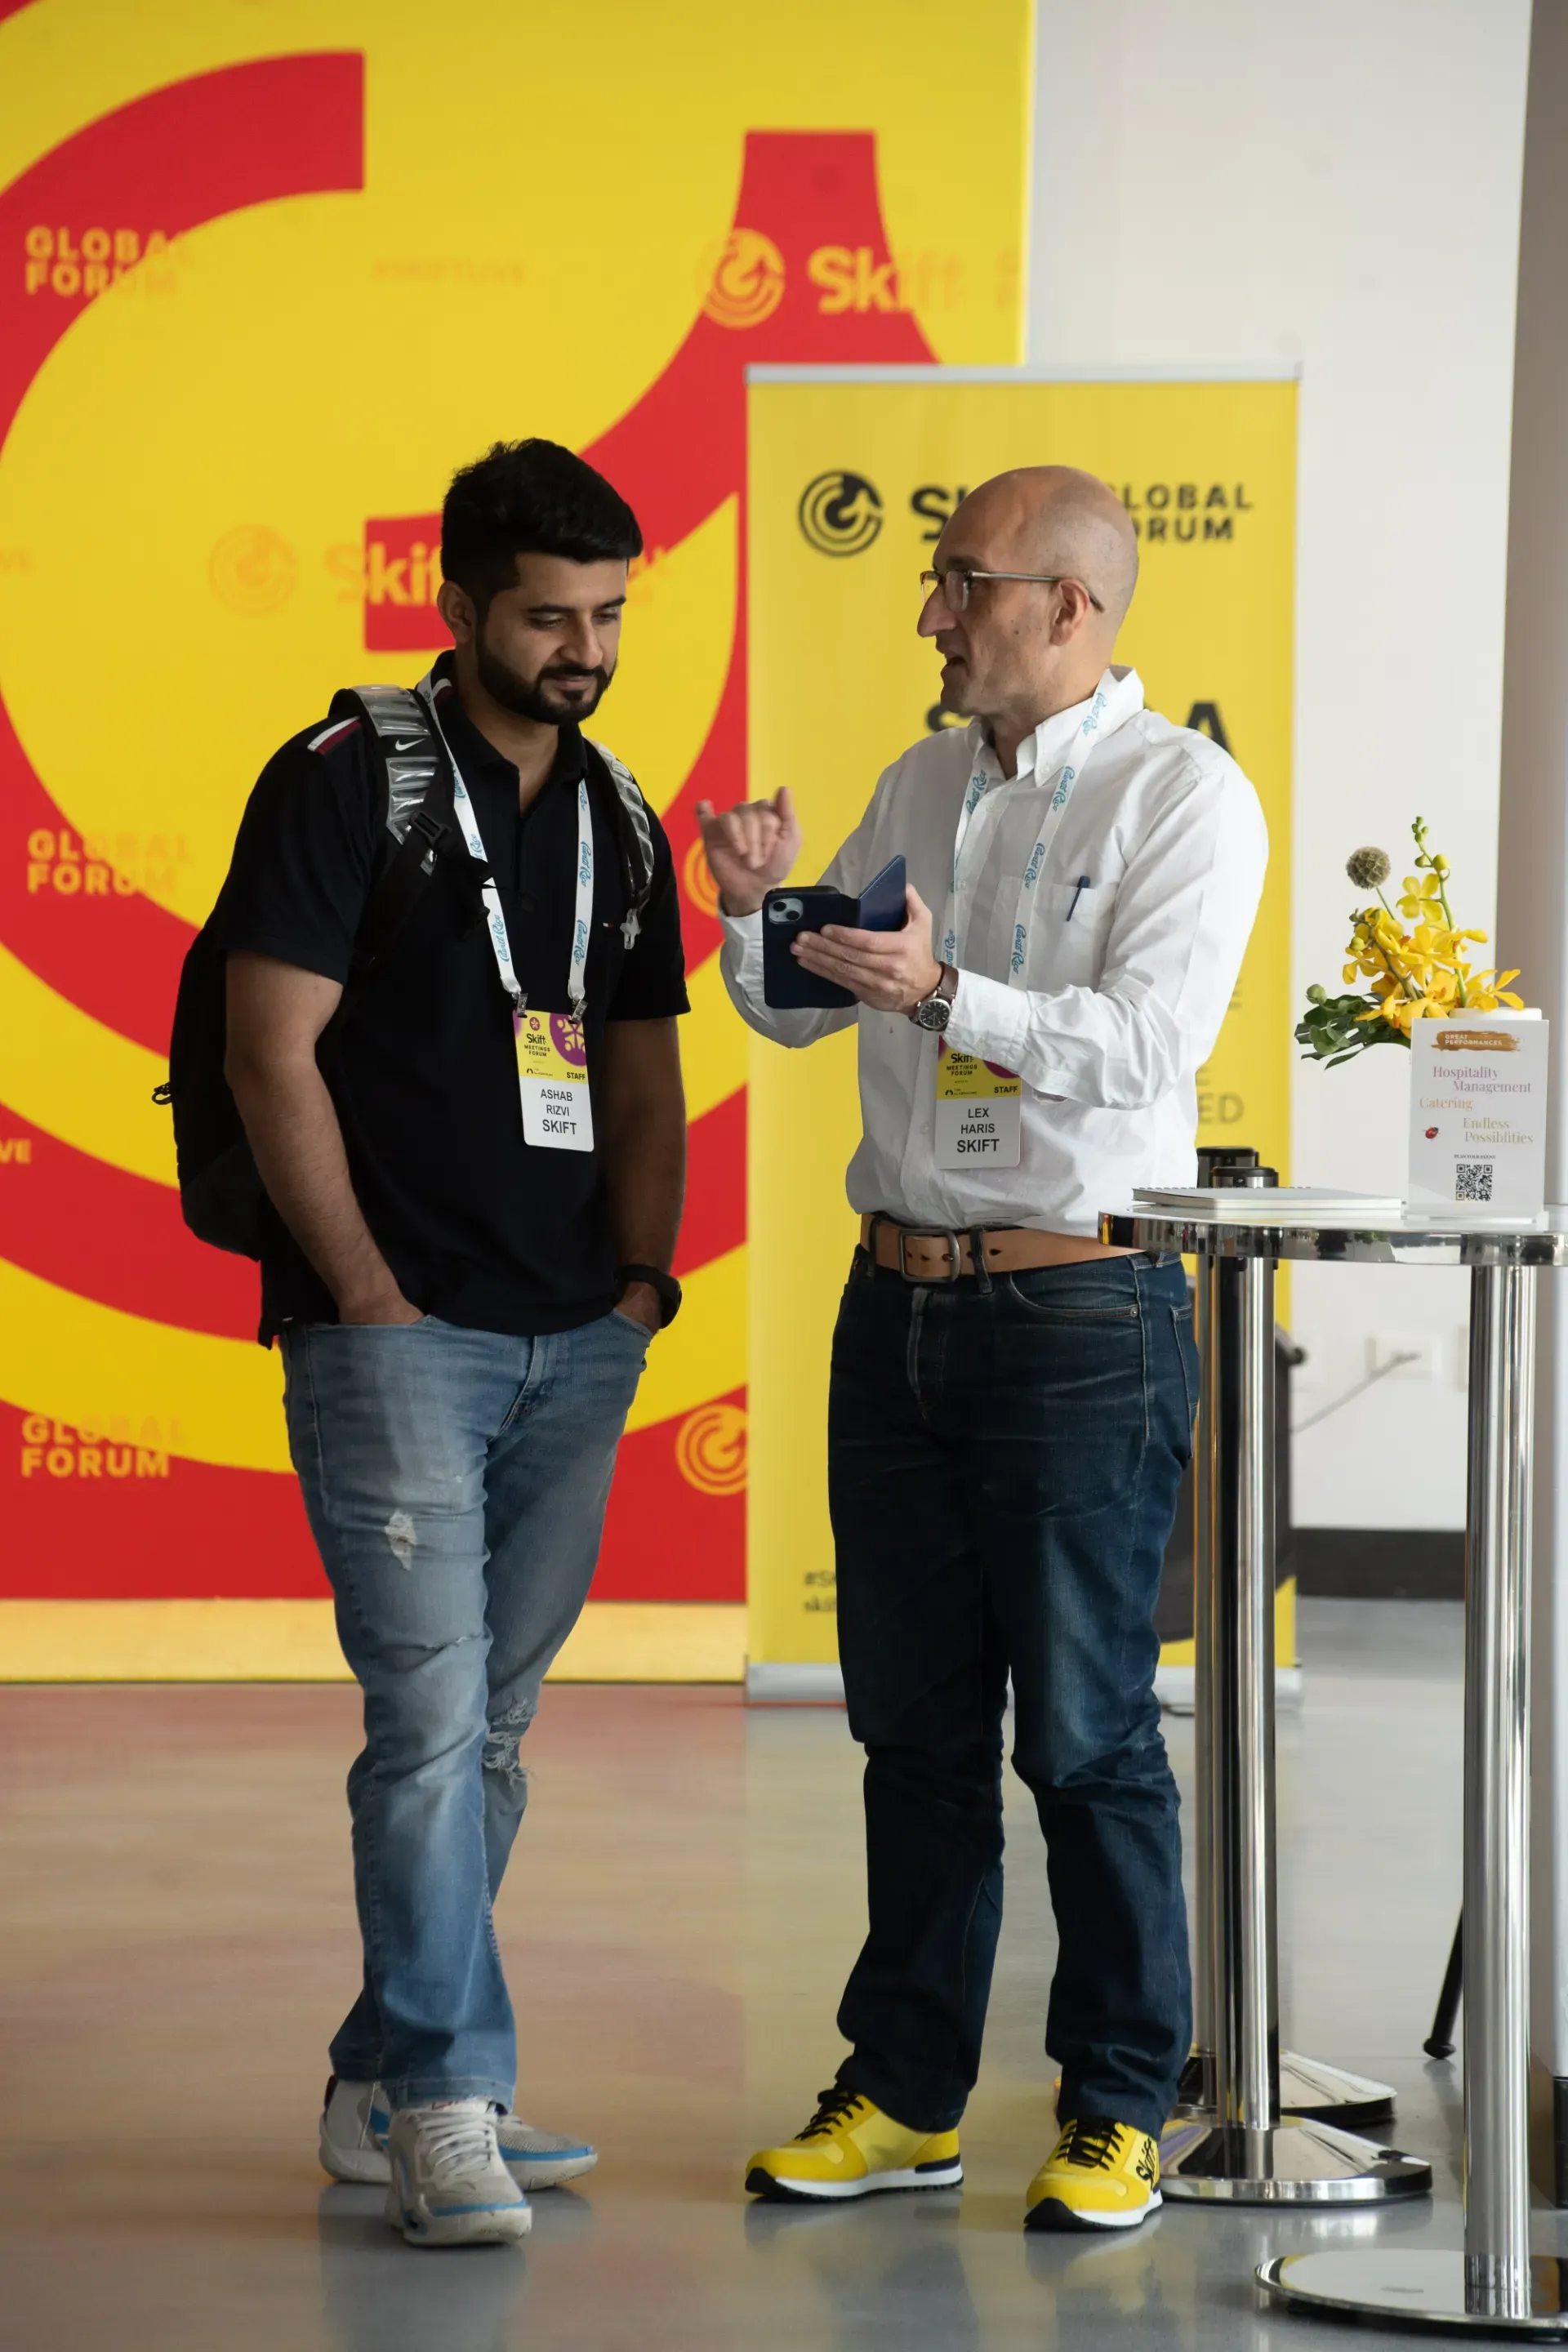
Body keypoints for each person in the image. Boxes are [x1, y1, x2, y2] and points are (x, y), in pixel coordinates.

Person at [700, 466, 1267, 2232]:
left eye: (962, 583)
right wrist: (754, 914)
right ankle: (906, 2093)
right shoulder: (925, 780)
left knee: (1087, 1734)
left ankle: (1117, 2105)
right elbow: (812, 1005)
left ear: (1068, 608)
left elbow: (1148, 1046)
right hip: (899, 1305)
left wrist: (946, 993)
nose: (931, 614)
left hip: (1078, 1311)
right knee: (914, 1730)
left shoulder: (1186, 794)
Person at [215, 439, 689, 2247]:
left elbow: (638, 1063)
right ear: (459, 604)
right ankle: (444, 2104)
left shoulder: (621, 814)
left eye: (610, 616)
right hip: (396, 1335)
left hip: (577, 1335)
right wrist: (362, 1294)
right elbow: (269, 1049)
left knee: (487, 1733)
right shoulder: (346, 778)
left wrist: (638, 1286)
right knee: (426, 1725)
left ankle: (379, 2081)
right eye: (551, 617)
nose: (586, 650)